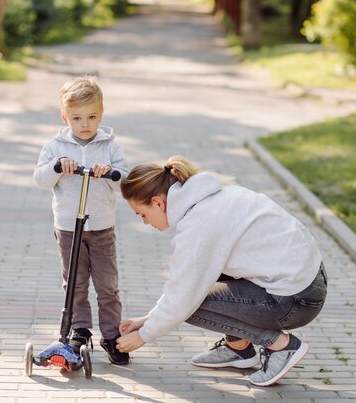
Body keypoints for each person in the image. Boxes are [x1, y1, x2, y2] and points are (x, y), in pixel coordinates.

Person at [116, 155, 327, 386]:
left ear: (158, 202)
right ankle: (238, 349)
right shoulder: (211, 196)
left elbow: (183, 297)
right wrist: (147, 319)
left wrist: (143, 336)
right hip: (306, 282)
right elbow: (187, 283)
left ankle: (281, 346)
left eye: (142, 214)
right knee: (200, 283)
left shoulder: (198, 224)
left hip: (294, 300)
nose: (145, 222)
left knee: (190, 307)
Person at [33, 75, 130, 365]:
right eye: (77, 118)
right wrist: (57, 166)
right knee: (74, 282)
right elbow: (40, 179)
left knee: (107, 284)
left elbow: (125, 181)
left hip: (101, 227)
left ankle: (112, 335)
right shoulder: (54, 146)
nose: (85, 124)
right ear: (65, 117)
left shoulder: (110, 146)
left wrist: (110, 171)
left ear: (101, 114)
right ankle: (80, 331)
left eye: (91, 117)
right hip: (67, 228)